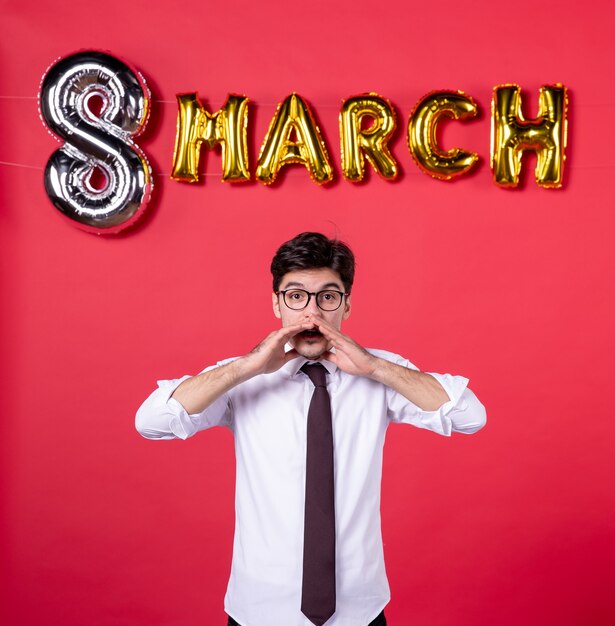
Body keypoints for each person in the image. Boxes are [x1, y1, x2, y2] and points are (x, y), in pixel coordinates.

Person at [135, 232, 486, 626]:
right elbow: (151, 421)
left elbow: (469, 415)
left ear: (347, 305)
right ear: (276, 302)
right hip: (258, 612)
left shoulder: (377, 371)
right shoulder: (243, 376)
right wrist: (248, 366)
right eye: (296, 296)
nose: (312, 314)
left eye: (328, 297)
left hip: (359, 612)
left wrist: (373, 367)